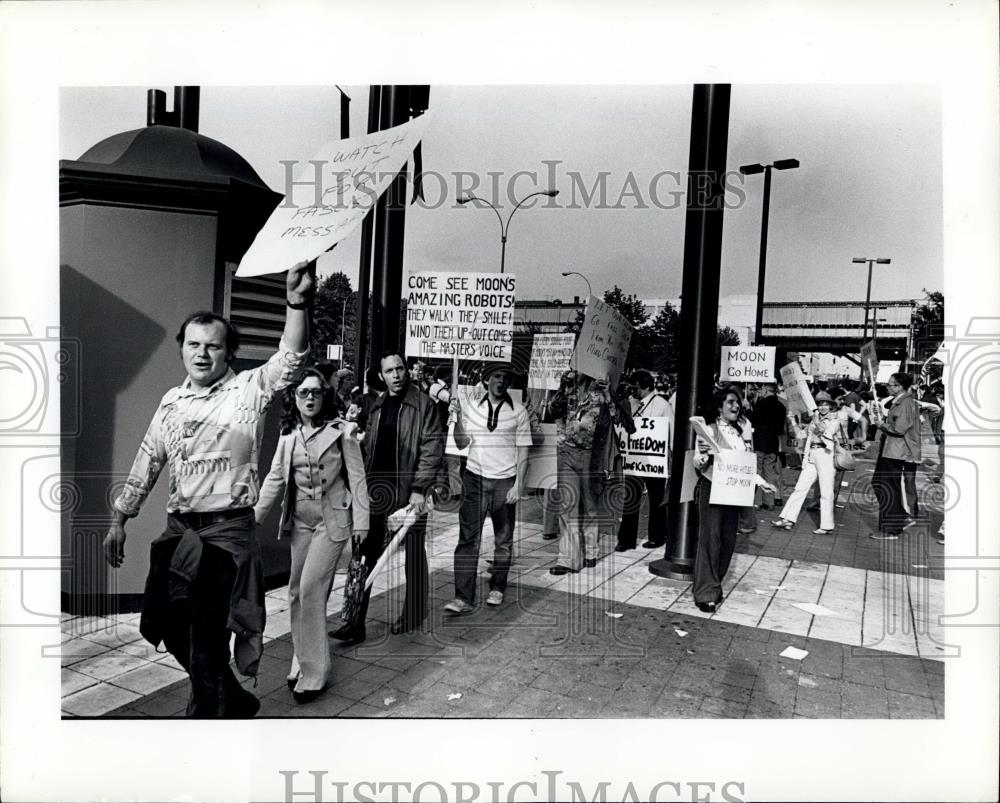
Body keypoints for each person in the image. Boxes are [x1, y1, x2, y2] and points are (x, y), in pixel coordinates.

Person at [102, 261, 314, 718]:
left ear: (228, 353)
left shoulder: (248, 390)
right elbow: (148, 459)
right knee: (165, 624)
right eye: (193, 344)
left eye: (213, 346)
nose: (202, 354)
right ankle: (232, 698)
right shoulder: (171, 402)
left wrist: (296, 303)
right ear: (182, 349)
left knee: (206, 642)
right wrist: (120, 519)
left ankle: (209, 720)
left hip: (226, 537)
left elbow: (290, 359)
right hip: (180, 532)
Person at [252, 368, 369, 703]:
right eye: (303, 392)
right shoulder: (288, 434)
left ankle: (315, 673)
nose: (310, 398)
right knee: (294, 592)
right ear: (294, 397)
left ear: (324, 396)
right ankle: (300, 658)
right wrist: (254, 519)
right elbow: (276, 478)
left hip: (332, 521)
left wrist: (362, 523)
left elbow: (357, 477)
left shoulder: (342, 431)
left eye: (316, 392)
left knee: (311, 589)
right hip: (300, 522)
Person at [330, 351, 444, 643]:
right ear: (381, 375)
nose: (396, 375)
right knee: (364, 554)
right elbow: (369, 448)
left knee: (414, 553)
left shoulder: (424, 405)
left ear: (407, 370)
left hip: (409, 492)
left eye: (400, 369)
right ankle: (354, 621)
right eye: (390, 370)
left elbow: (431, 449)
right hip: (375, 491)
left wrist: (420, 488)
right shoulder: (377, 405)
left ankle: (414, 612)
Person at [444, 363, 533, 613]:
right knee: (468, 539)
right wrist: (457, 421)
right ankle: (463, 597)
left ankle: (498, 587)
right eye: (496, 376)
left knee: (503, 540)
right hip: (474, 479)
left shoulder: (519, 412)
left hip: (505, 480)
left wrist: (519, 485)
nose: (500, 381)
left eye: (505, 377)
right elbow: (461, 443)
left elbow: (523, 450)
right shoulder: (473, 407)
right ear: (486, 379)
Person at [692, 388, 777, 612]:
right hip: (712, 488)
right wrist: (703, 455)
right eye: (730, 402)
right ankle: (705, 592)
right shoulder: (709, 430)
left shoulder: (740, 432)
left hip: (733, 492)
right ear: (719, 407)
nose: (736, 406)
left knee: (727, 541)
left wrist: (761, 482)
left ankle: (715, 584)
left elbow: (744, 464)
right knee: (710, 540)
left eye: (737, 402)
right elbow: (697, 462)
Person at [548, 371, 623, 574]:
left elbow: (618, 420)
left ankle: (590, 551)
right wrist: (561, 388)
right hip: (567, 452)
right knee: (567, 504)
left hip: (592, 456)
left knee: (590, 506)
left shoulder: (601, 391)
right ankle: (567, 559)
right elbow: (552, 411)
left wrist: (608, 396)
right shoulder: (568, 390)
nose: (574, 370)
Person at [616, 370, 673, 551]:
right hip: (635, 458)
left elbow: (671, 432)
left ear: (647, 386)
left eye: (636, 388)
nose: (633, 391)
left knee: (656, 499)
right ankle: (626, 539)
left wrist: (670, 456)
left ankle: (657, 536)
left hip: (654, 461)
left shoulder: (662, 405)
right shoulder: (631, 403)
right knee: (631, 497)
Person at [771, 391, 841, 535]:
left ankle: (827, 526)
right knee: (800, 488)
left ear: (830, 406)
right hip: (811, 455)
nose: (822, 407)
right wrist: (793, 421)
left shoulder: (834, 420)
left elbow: (825, 433)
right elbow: (801, 435)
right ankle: (787, 519)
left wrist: (815, 420)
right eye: (820, 405)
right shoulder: (814, 420)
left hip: (825, 455)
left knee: (826, 491)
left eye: (825, 405)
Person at [870, 373, 921, 540]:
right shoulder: (899, 402)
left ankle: (891, 528)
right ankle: (899, 517)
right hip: (891, 450)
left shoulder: (906, 403)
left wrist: (882, 425)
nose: (887, 387)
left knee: (887, 486)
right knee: (880, 483)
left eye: (890, 384)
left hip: (896, 451)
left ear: (899, 387)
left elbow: (899, 429)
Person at [748, 383, 787, 510]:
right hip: (773, 443)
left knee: (758, 470)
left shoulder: (760, 404)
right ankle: (769, 501)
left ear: (765, 390)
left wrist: (748, 409)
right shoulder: (781, 406)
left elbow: (753, 421)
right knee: (770, 471)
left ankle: (757, 502)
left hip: (760, 442)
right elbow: (781, 428)